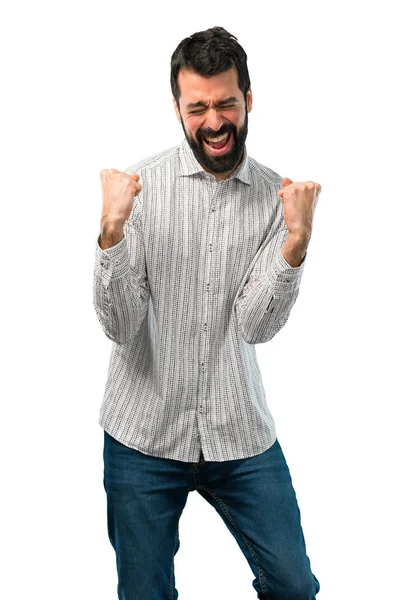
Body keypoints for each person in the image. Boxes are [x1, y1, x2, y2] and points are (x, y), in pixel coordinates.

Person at [93, 25, 321, 600]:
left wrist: (295, 244)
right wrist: (112, 233)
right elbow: (119, 326)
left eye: (226, 103)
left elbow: (256, 326)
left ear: (248, 99)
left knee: (294, 586)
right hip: (142, 434)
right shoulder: (139, 190)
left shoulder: (277, 198)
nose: (214, 121)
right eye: (198, 107)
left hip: (237, 432)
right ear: (177, 109)